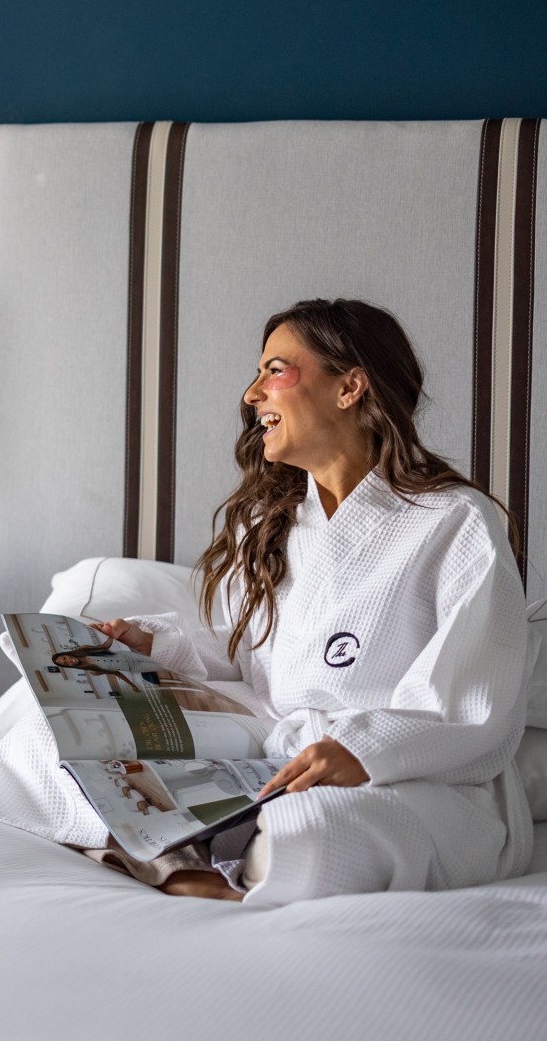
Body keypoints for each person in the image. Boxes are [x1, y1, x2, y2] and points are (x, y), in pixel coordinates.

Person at [91, 298, 531, 903]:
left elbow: (472, 702)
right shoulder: (271, 521)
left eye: (274, 370)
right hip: (278, 745)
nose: (252, 394)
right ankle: (208, 856)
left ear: (349, 387)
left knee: (312, 829)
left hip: (412, 777)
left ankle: (193, 858)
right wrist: (155, 644)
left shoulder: (455, 521)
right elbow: (253, 653)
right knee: (50, 736)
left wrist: (363, 751)